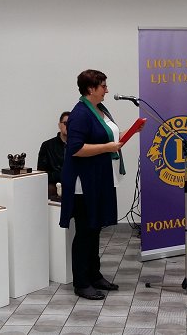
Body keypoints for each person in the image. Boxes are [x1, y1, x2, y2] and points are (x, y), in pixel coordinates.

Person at [59, 69, 143, 300]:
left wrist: (132, 131)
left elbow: (110, 139)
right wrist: (107, 148)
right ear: (90, 89)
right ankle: (81, 282)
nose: (107, 90)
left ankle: (94, 275)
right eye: (103, 86)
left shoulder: (99, 109)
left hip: (100, 179)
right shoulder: (80, 114)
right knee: (85, 232)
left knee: (94, 230)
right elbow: (76, 149)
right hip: (84, 185)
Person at [38, 111, 69, 201]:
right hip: (55, 185)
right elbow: (42, 173)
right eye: (66, 123)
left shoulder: (80, 146)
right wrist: (60, 175)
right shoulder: (47, 146)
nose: (69, 126)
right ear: (59, 125)